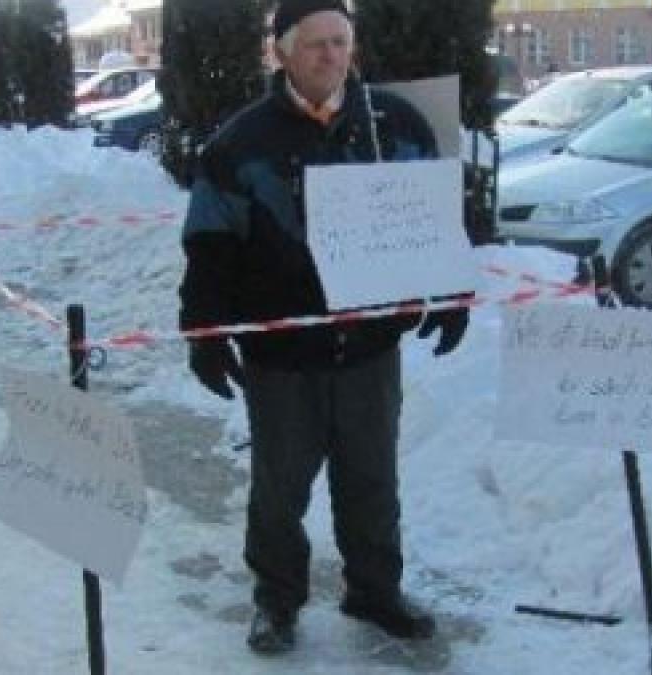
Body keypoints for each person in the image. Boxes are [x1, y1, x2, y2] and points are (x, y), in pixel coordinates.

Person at [178, 0, 469, 655]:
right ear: (283, 51)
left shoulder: (395, 126)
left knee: (373, 479)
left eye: (341, 42)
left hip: (369, 349)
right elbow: (209, 244)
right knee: (280, 490)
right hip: (283, 356)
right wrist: (203, 330)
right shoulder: (241, 144)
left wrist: (451, 293)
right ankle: (276, 600)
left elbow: (435, 219)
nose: (331, 56)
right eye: (315, 45)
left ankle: (375, 589)